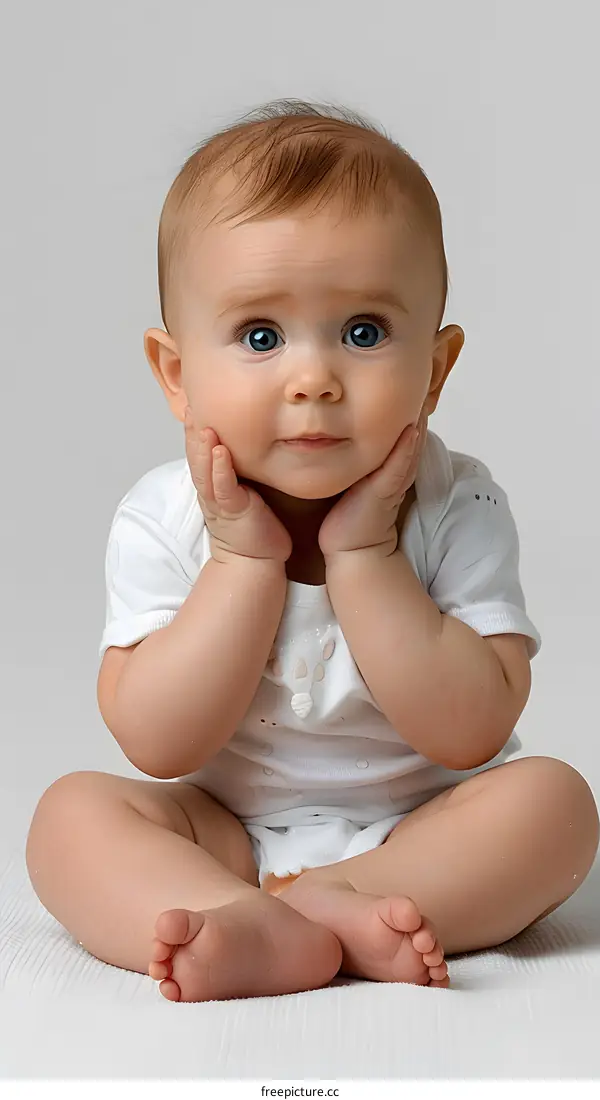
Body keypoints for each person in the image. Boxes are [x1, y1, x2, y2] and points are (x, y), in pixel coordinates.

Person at [26, 100, 599, 1002]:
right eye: (260, 337)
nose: (314, 378)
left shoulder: (460, 505)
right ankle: (237, 916)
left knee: (556, 805)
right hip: (224, 829)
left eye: (364, 332)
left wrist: (367, 555)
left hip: (423, 831)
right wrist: (242, 564)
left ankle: (340, 903)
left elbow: (471, 731)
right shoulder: (162, 517)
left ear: (436, 370)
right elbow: (157, 742)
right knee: (69, 820)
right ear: (177, 376)